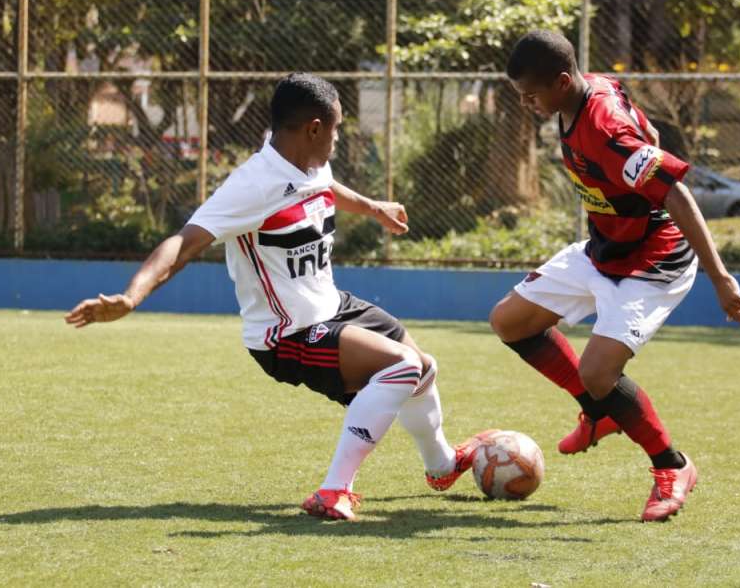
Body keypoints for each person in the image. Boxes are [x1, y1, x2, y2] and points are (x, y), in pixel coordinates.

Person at [66, 72, 489, 522]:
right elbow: (182, 243)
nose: (339, 137)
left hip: (331, 305)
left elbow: (324, 186)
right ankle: (333, 491)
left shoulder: (307, 159)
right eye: (337, 127)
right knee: (400, 367)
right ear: (313, 128)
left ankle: (441, 467)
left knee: (422, 367)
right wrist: (132, 298)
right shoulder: (253, 185)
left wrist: (372, 207)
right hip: (285, 335)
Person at [489, 30, 740, 522]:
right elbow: (649, 137)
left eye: (531, 94)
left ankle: (672, 466)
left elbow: (676, 194)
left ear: (563, 81)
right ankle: (598, 412)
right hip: (605, 245)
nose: (527, 103)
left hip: (654, 259)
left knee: (598, 372)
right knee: (510, 321)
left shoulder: (604, 128)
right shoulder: (589, 91)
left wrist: (721, 278)